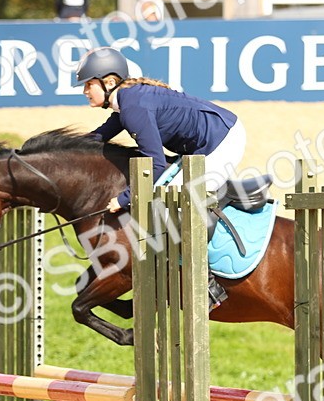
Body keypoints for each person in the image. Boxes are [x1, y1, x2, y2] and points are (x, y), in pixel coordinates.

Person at [76, 45, 247, 308]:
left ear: (109, 82)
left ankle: (207, 285)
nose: (85, 91)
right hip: (205, 143)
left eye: (89, 84)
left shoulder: (132, 107)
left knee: (174, 203)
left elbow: (154, 165)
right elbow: (96, 138)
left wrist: (123, 199)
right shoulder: (125, 103)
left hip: (222, 142)